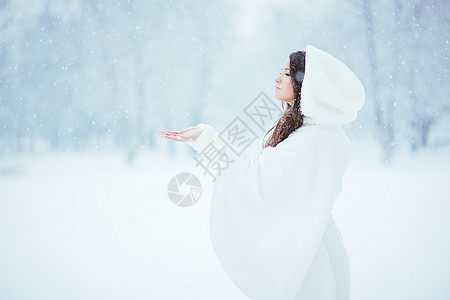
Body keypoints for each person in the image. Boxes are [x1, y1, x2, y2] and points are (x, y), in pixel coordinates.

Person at [158, 45, 365, 300]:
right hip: (302, 243)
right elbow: (259, 167)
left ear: (306, 83)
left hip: (313, 255)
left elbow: (259, 176)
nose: (277, 78)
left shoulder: (319, 137)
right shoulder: (305, 131)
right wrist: (204, 139)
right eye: (280, 71)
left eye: (287, 73)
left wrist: (208, 139)